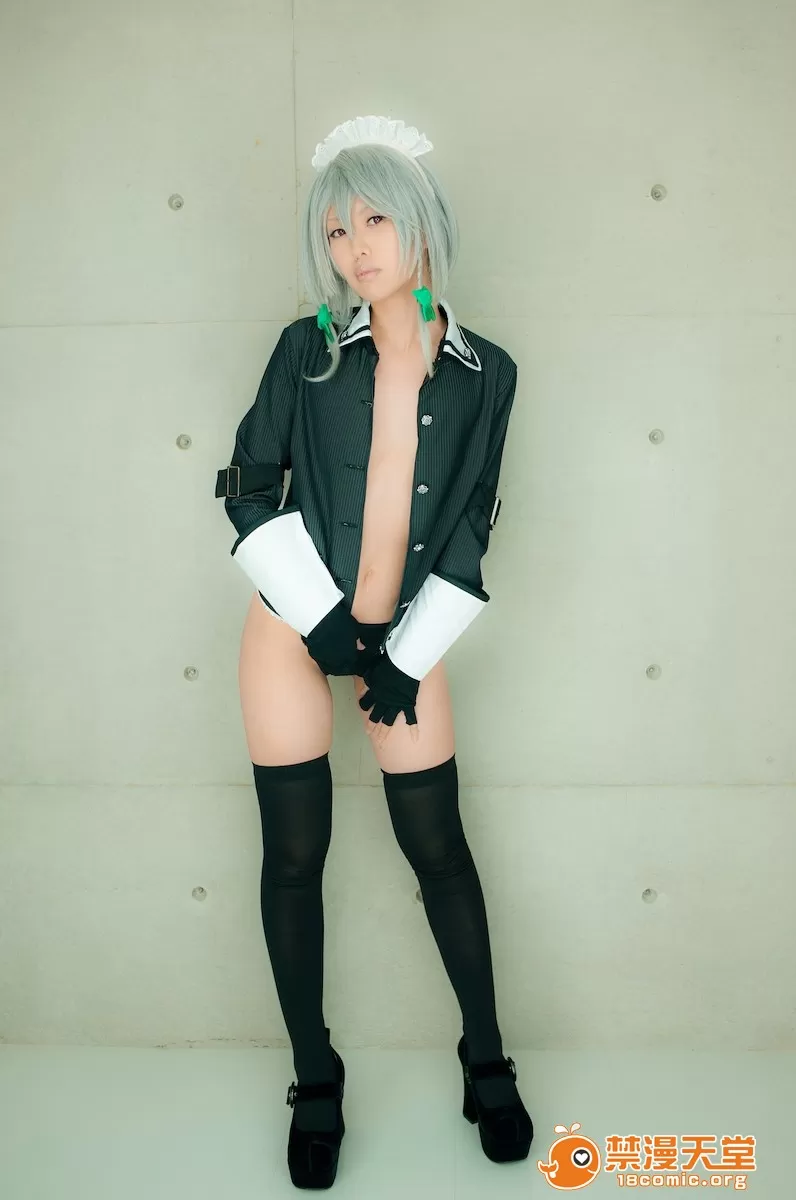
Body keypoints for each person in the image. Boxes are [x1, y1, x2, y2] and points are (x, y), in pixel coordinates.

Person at [215, 115, 532, 1188]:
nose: (355, 246)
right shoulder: (305, 349)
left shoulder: (488, 374)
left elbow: (474, 525)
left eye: (375, 219)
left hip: (406, 641)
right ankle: (315, 1075)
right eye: (336, 228)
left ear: (422, 224)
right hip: (289, 633)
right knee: (292, 858)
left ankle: (484, 1057)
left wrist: (401, 656)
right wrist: (318, 621)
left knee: (439, 851)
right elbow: (249, 487)